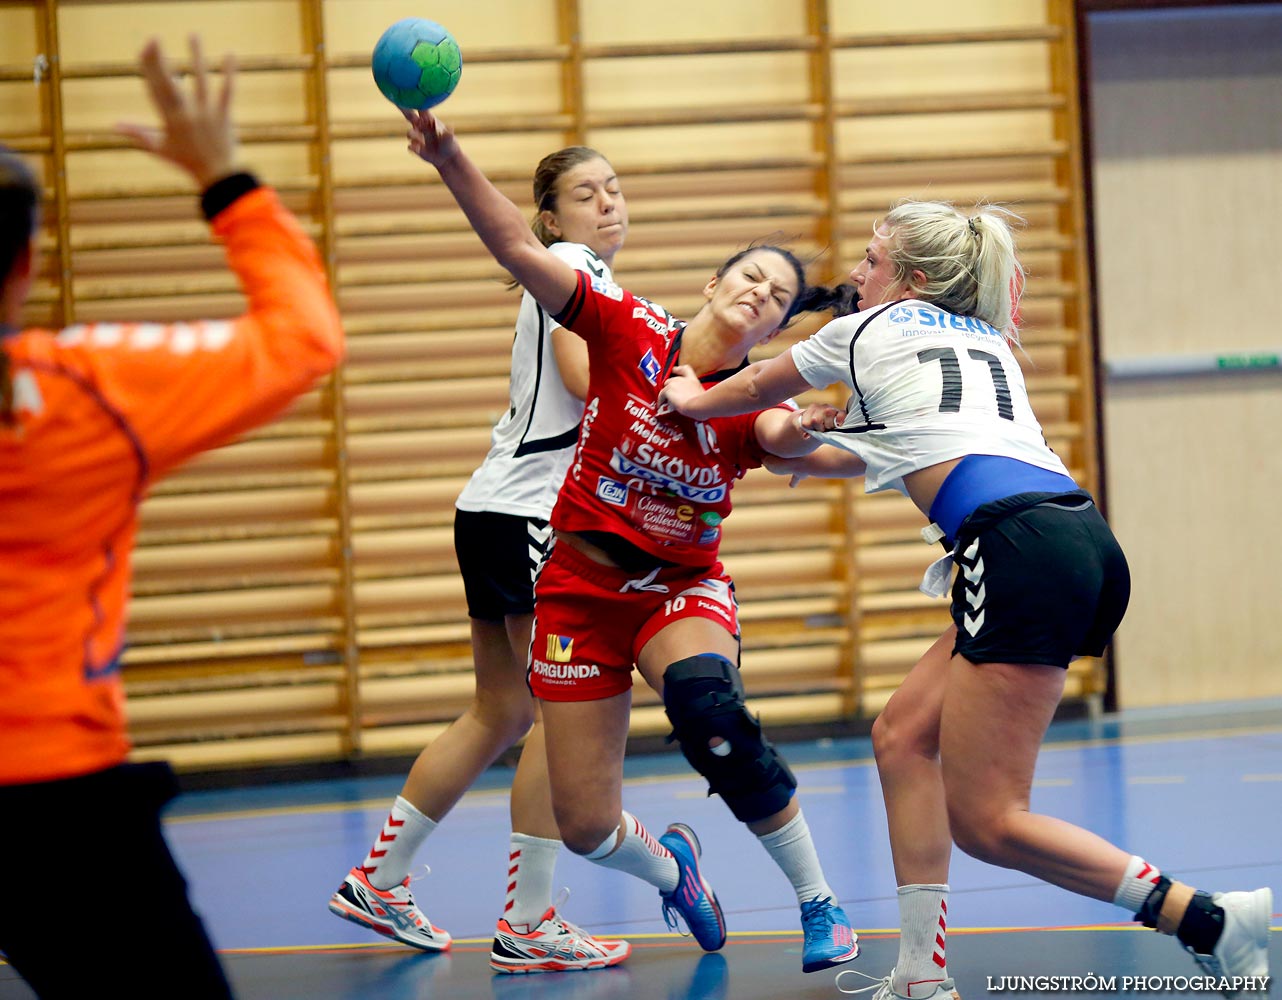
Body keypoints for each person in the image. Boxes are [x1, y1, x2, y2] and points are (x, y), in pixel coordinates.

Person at [658, 198, 1273, 998]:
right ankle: (920, 972)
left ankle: (1207, 919)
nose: (855, 275)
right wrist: (810, 448)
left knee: (989, 820)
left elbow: (743, 390)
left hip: (1015, 548)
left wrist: (687, 395)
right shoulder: (986, 343)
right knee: (903, 736)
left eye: (871, 261)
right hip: (1072, 538)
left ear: (910, 280)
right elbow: (911, 443)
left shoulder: (865, 331)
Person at [398, 106, 865, 976]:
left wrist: (835, 431)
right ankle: (671, 868)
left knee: (706, 706)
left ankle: (819, 902)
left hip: (678, 593)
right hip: (578, 590)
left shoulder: (749, 402)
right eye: (750, 276)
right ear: (714, 283)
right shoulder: (627, 330)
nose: (759, 292)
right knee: (582, 824)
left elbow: (797, 443)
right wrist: (451, 158)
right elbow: (516, 247)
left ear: (774, 330)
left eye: (777, 296)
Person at [0, 37, 344, 1000]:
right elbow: (304, 337)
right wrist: (225, 179)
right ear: (26, 261)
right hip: (52, 800)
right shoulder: (83, 388)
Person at [328, 145, 632, 973]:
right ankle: (528, 921)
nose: (605, 203)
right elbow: (583, 375)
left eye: (612, 189)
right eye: (583, 193)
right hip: (535, 514)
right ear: (550, 219)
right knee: (558, 713)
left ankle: (379, 878)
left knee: (500, 711)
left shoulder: (567, 272)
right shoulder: (576, 268)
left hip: (488, 508)